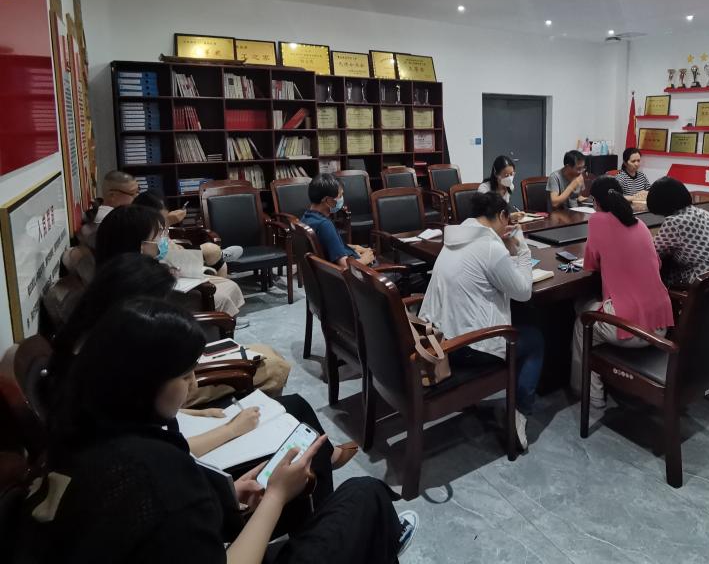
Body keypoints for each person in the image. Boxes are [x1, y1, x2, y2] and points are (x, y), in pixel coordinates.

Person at [27, 298, 417, 563]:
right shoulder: (157, 477)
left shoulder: (80, 435)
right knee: (365, 494)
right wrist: (276, 496)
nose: (194, 383)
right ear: (143, 384)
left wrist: (227, 495)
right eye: (185, 375)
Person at [50, 252, 289, 408]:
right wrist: (230, 429)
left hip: (170, 374)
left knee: (265, 352)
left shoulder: (94, 329)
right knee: (274, 366)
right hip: (172, 386)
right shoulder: (108, 363)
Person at [420, 191, 541, 451]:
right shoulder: (489, 247)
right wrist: (522, 251)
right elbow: (523, 292)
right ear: (502, 216)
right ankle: (519, 412)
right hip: (469, 348)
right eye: (507, 222)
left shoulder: (455, 239)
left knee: (521, 327)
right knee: (534, 340)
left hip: (441, 339)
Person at [572, 176, 674, 408]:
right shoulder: (640, 224)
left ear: (595, 202)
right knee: (590, 307)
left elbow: (591, 264)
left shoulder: (597, 221)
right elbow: (657, 263)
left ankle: (589, 393)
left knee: (583, 320)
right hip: (661, 325)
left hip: (630, 330)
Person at [96, 205, 246, 318]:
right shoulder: (131, 285)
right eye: (160, 234)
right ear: (140, 246)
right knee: (223, 294)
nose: (165, 239)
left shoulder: (120, 270)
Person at [646, 176, 709, 288]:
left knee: (659, 272)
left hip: (707, 281)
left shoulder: (675, 222)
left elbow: (651, 252)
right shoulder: (703, 212)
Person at [134, 190, 241, 274]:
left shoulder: (158, 227)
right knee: (211, 251)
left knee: (221, 264)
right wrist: (168, 222)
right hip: (166, 264)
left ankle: (219, 256)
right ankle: (219, 254)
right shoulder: (140, 229)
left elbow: (166, 243)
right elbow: (157, 252)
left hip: (172, 257)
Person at [300, 173, 375, 267]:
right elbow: (344, 266)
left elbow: (329, 245)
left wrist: (353, 247)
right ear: (327, 200)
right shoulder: (324, 225)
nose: (342, 199)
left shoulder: (306, 217)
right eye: (340, 195)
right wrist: (366, 258)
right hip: (352, 272)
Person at [479, 155, 526, 221]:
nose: (509, 178)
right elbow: (486, 216)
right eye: (506, 175)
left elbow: (502, 211)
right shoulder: (484, 188)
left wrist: (509, 216)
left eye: (511, 174)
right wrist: (509, 217)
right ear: (496, 174)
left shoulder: (510, 187)